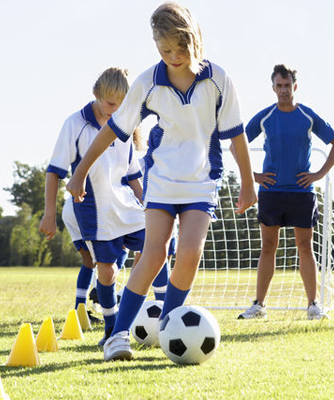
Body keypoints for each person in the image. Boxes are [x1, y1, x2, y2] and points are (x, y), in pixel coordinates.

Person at [66, 2, 257, 362]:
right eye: (164, 49)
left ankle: (171, 327)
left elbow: (236, 134)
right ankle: (117, 337)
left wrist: (248, 184)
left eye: (180, 49)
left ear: (194, 41)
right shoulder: (148, 82)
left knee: (189, 254)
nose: (173, 56)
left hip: (201, 181)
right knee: (154, 254)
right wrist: (79, 172)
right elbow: (113, 130)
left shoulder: (218, 79)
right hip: (163, 180)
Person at [39, 67, 148, 345]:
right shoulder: (75, 124)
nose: (115, 110)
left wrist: (146, 204)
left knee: (155, 250)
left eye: (121, 105)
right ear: (96, 95)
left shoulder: (124, 123)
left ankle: (163, 314)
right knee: (107, 271)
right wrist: (49, 214)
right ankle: (112, 330)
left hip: (127, 205)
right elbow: (54, 171)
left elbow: (133, 173)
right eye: (111, 103)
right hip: (95, 211)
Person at [237, 64, 334, 321]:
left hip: (301, 193)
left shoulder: (307, 116)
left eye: (287, 85)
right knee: (268, 247)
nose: (283, 90)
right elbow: (236, 143)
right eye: (279, 85)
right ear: (273, 88)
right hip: (270, 193)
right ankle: (259, 305)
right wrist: (252, 177)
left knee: (305, 247)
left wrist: (318, 174)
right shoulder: (265, 116)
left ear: (295, 87)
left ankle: (313, 305)